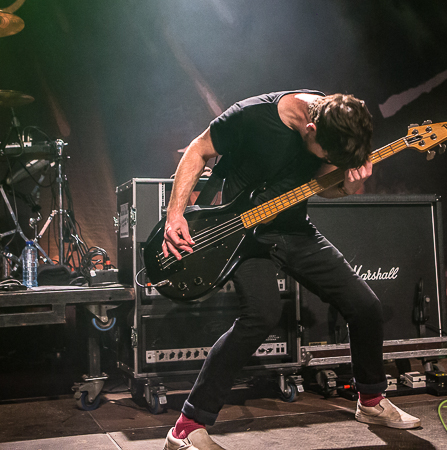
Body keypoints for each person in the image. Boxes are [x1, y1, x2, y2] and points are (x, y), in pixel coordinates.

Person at [162, 90, 420, 450]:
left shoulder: (335, 125)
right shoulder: (252, 116)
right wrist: (175, 215)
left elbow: (323, 187)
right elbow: (197, 150)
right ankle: (186, 428)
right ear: (310, 129)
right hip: (242, 234)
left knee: (366, 306)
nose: (327, 160)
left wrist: (347, 187)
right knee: (260, 316)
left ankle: (371, 401)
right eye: (326, 155)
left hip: (294, 229)